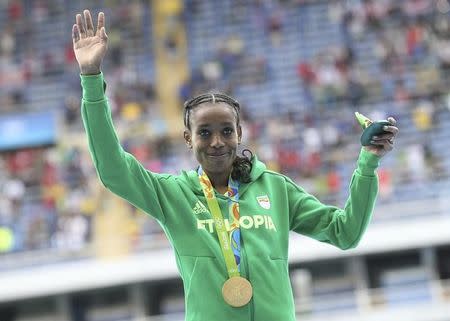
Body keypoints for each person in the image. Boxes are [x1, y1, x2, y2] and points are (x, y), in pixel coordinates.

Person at [72, 9, 399, 321]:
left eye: (226, 131)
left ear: (239, 133)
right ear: (188, 138)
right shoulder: (173, 196)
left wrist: (367, 164)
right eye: (204, 132)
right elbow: (113, 169)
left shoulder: (275, 188)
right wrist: (91, 78)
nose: (216, 142)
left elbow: (345, 233)